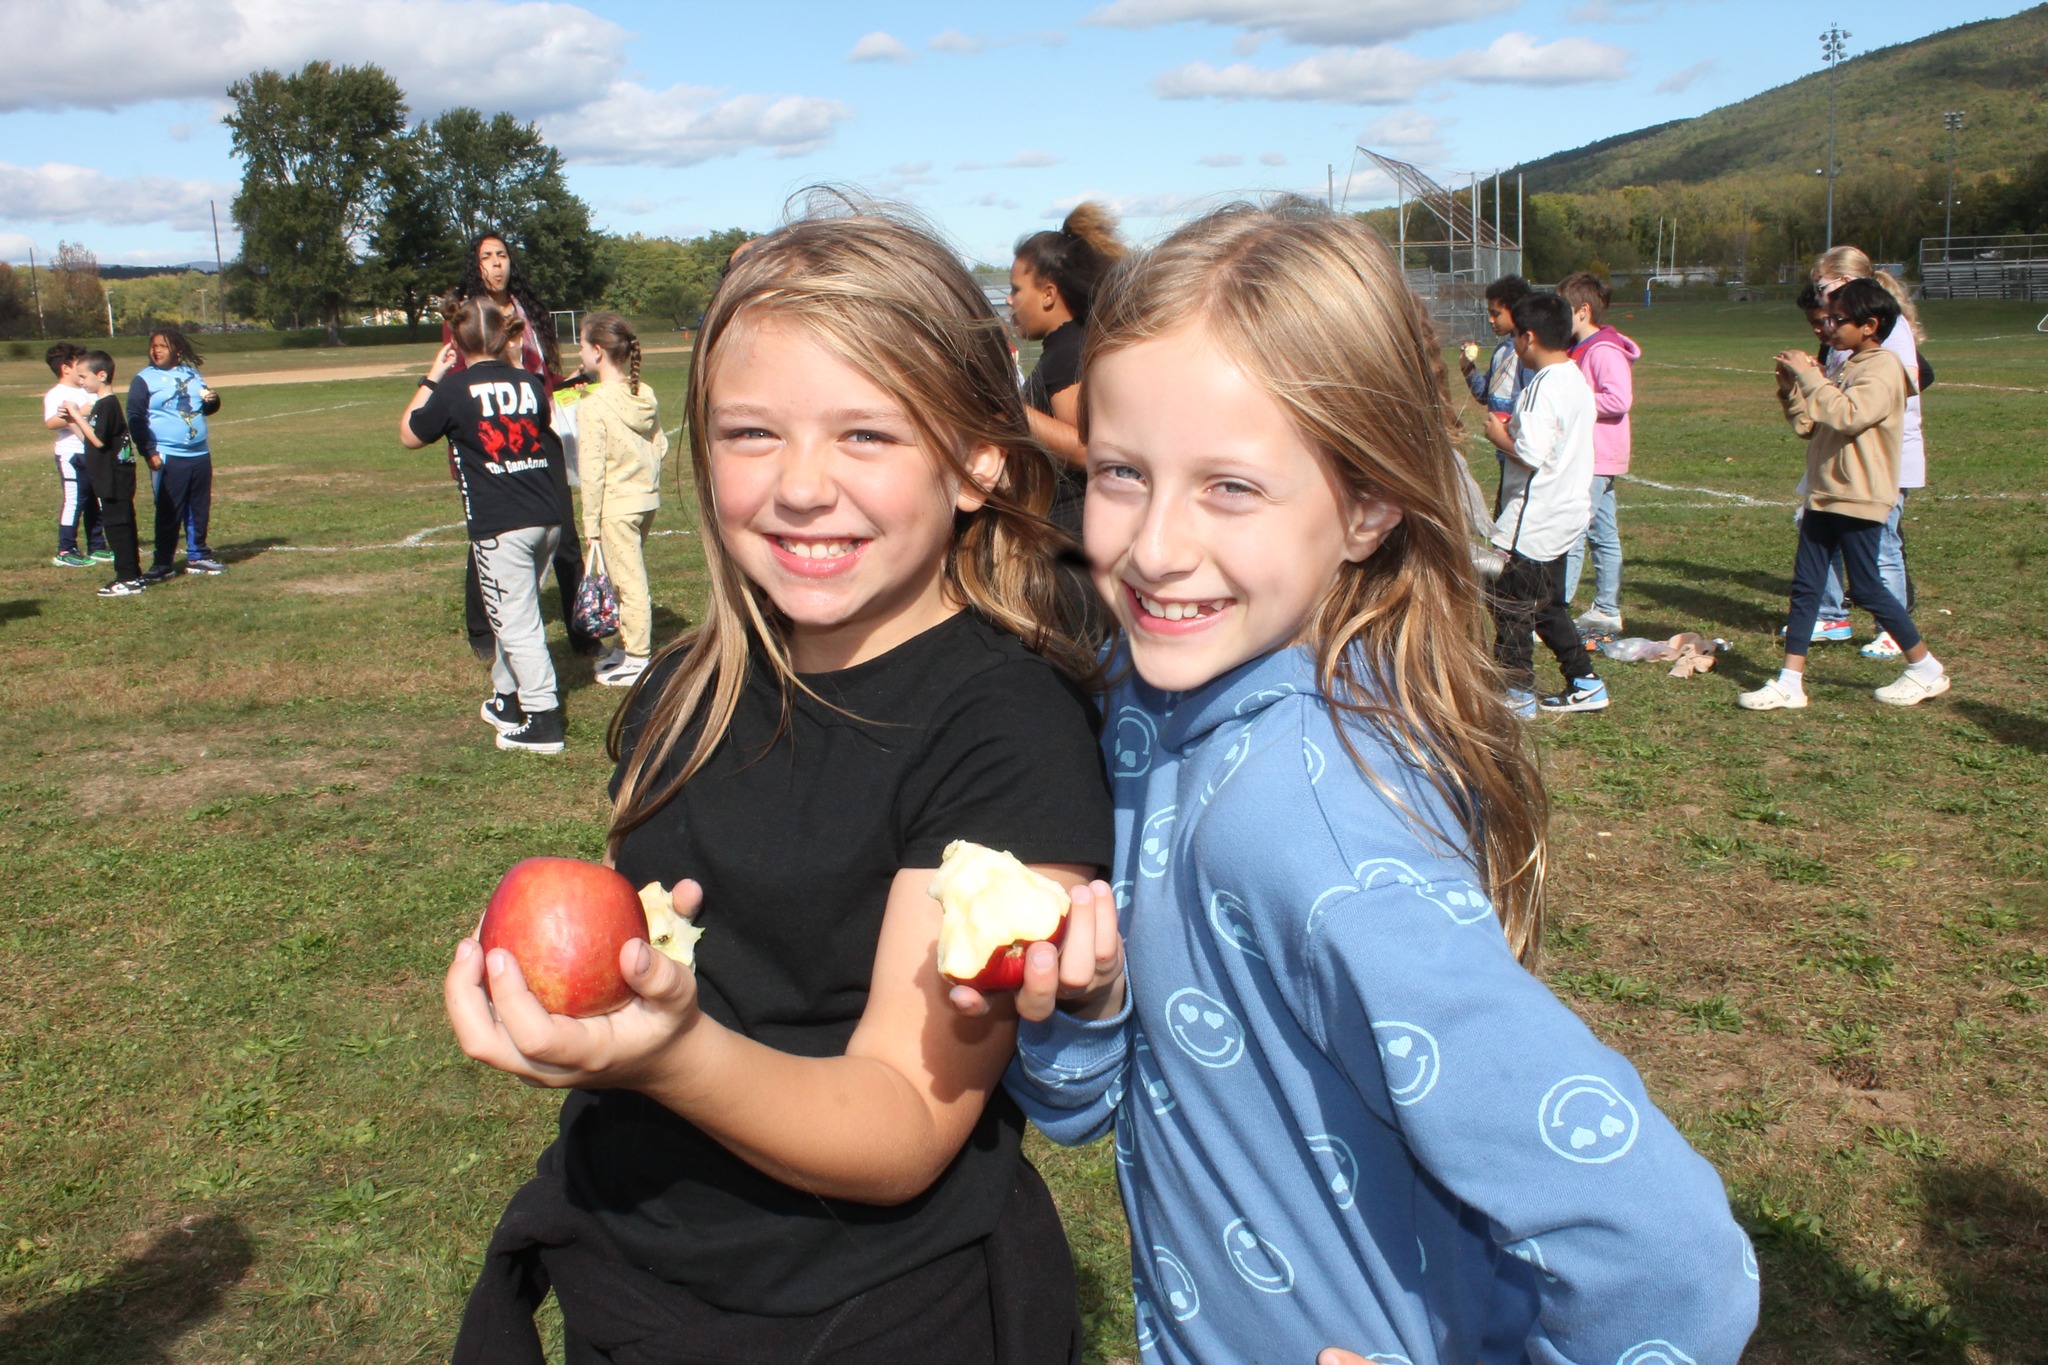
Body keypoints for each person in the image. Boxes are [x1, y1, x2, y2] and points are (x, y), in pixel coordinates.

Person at [983, 203, 1756, 1365]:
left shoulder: (1317, 824)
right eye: (1120, 474)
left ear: (1365, 505)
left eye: (1230, 489)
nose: (1153, 546)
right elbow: (1094, 1109)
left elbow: (1676, 1265)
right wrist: (1088, 1007)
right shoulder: (1145, 704)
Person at [443, 204, 1112, 1365]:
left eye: (866, 435)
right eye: (752, 434)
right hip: (630, 1266)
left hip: (861, 1313)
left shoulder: (1005, 731)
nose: (801, 487)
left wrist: (667, 1054)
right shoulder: (691, 684)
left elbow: (903, 1119)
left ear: (975, 460)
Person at [1743, 277, 1948, 711]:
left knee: (1869, 589)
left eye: (1838, 320)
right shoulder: (1846, 365)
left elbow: (1850, 415)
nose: (1828, 328)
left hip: (1859, 495)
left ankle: (1925, 667)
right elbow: (1812, 426)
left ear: (1870, 325)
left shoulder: (1884, 368)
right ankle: (1790, 681)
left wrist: (1812, 378)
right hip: (1825, 492)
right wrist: (1790, 390)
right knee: (1806, 587)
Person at [401, 298, 569, 753]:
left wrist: (432, 376)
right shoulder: (530, 384)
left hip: (501, 521)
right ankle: (506, 700)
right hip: (545, 514)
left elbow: (410, 433)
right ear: (504, 337)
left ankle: (543, 718)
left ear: (456, 341)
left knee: (516, 623)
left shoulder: (454, 389)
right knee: (514, 611)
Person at [442, 231, 601, 662]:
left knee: (564, 532)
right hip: (490, 436)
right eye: (486, 257)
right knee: (491, 533)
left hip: (539, 429)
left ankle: (582, 632)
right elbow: (459, 376)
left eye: (502, 255)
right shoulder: (469, 313)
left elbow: (544, 374)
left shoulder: (530, 311)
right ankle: (482, 630)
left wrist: (566, 391)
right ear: (475, 266)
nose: (496, 263)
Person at [1484, 292, 1608, 714]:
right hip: (1567, 511)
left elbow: (1531, 454)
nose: (1514, 344)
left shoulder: (1542, 389)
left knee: (1509, 603)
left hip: (1535, 518)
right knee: (1547, 605)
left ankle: (1516, 693)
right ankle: (1585, 681)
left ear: (1528, 337)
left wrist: (1500, 437)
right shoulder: (1575, 379)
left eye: (1516, 335)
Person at [1811, 247, 1927, 660]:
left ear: (1845, 282)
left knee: (1881, 546)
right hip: (1849, 453)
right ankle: (1831, 614)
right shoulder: (1844, 331)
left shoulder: (1881, 330)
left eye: (1824, 286)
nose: (1820, 296)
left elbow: (1907, 382)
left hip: (1884, 455)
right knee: (1815, 526)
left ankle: (1893, 630)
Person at [1010, 202, 1125, 539]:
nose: (1009, 300)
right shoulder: (1067, 347)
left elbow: (1086, 448)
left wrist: (1010, 408)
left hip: (1073, 537)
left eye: (1017, 289)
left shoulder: (1067, 352)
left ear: (1048, 294)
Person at [574, 311, 667, 689]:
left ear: (597, 352)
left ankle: (639, 658)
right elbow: (659, 444)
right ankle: (626, 646)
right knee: (620, 578)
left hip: (616, 506)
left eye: (580, 346)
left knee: (628, 583)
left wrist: (590, 527)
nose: (577, 354)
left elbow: (591, 472)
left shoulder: (594, 406)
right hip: (645, 500)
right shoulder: (642, 393)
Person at [1554, 271, 1638, 636]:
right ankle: (1606, 607)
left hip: (1596, 456)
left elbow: (1619, 399)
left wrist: (1576, 401)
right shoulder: (1581, 349)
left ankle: (1556, 613)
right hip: (1591, 455)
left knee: (1572, 533)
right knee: (1603, 532)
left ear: (1583, 311)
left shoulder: (1603, 350)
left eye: (1563, 311)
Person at [129, 326, 223, 582]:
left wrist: (212, 401)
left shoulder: (191, 373)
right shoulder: (144, 379)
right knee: (169, 511)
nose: (156, 350)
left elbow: (204, 408)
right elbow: (135, 419)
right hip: (168, 455)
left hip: (199, 453)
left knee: (199, 507)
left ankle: (197, 555)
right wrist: (148, 451)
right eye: (153, 346)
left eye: (163, 346)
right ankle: (163, 563)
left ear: (177, 350)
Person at [61, 351, 145, 596]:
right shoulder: (101, 406)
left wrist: (77, 413)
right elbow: (91, 439)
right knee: (119, 525)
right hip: (110, 478)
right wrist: (72, 422)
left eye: (83, 376)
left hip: (115, 478)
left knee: (119, 527)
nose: (80, 381)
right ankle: (133, 576)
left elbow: (98, 441)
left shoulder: (107, 404)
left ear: (102, 375)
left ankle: (127, 578)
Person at [43, 342, 108, 568]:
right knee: (74, 501)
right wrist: (79, 412)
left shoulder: (84, 390)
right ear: (65, 368)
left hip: (90, 453)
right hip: (71, 455)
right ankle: (66, 548)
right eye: (77, 363)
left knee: (95, 500)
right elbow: (51, 422)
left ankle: (97, 545)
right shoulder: (57, 394)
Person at [1457, 273, 1530, 421]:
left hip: (1520, 438)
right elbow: (1483, 395)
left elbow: (1532, 402)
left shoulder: (1527, 352)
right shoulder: (1501, 351)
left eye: (1496, 314)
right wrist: (1468, 368)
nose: (1490, 320)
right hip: (1500, 438)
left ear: (1516, 311)